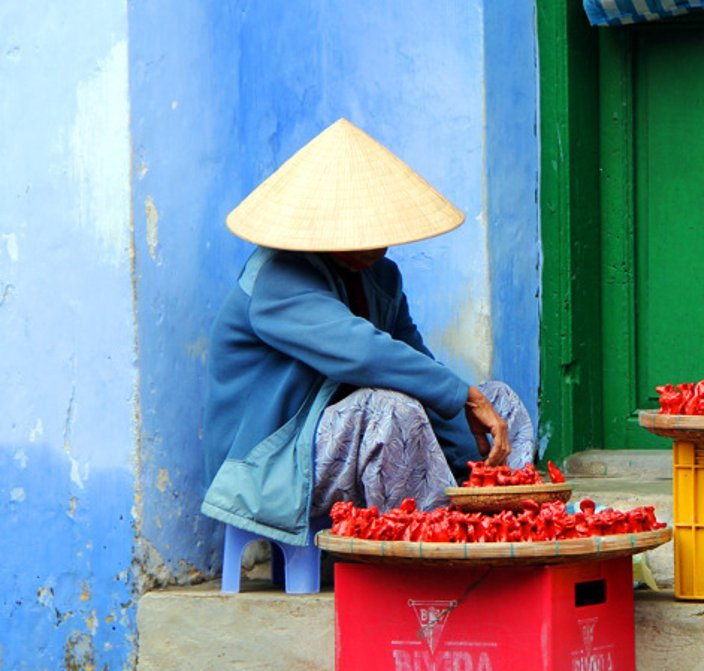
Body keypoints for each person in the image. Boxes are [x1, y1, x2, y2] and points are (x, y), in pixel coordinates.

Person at [200, 118, 533, 547]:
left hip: (350, 442)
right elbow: (361, 352)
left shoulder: (383, 279)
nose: (376, 245)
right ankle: (430, 550)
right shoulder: (277, 279)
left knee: (500, 400)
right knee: (390, 410)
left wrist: (476, 457)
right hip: (274, 462)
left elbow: (415, 365)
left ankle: (511, 524)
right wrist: (463, 395)